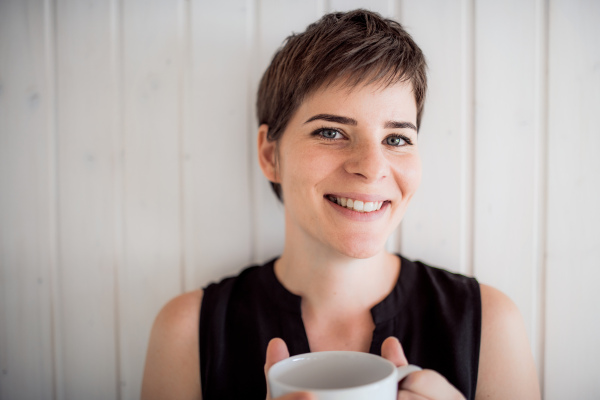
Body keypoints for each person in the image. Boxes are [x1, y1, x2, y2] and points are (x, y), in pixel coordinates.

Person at [141, 9, 540, 400]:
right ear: (269, 154)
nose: (371, 167)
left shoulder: (491, 324)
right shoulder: (186, 331)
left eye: (397, 139)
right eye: (331, 132)